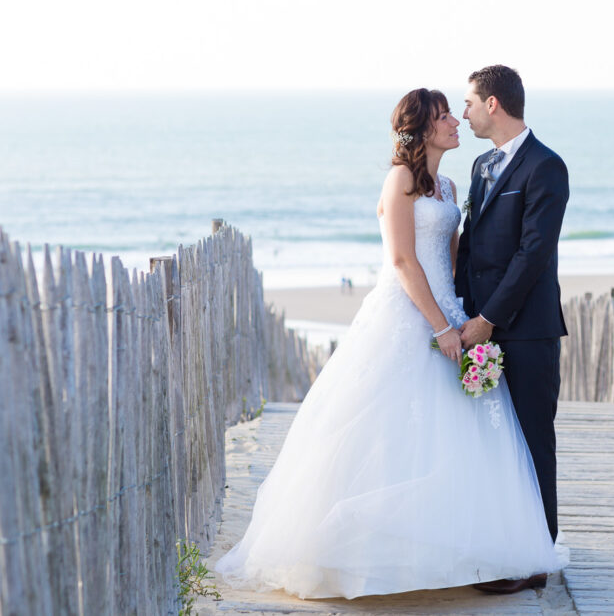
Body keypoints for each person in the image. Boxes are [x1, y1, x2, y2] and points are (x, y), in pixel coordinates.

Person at [214, 88, 568, 599]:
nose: (455, 120)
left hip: (450, 312)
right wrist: (442, 328)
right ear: (423, 128)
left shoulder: (449, 185)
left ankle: (471, 548)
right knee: (388, 430)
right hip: (407, 316)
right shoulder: (400, 179)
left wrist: (467, 318)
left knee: (465, 436)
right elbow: (403, 261)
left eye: (456, 109)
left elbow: (455, 261)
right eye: (445, 114)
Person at [455, 65, 570, 594]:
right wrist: (462, 311)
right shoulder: (480, 166)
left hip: (525, 330)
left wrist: (488, 319)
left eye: (471, 103)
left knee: (531, 441)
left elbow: (532, 255)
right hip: (479, 325)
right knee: (492, 443)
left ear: (494, 104)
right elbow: (472, 243)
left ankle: (534, 560)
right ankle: (500, 547)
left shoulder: (547, 167)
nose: (466, 113)